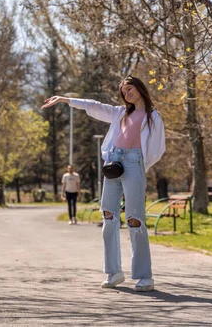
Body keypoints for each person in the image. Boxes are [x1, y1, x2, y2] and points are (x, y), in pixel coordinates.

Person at [42, 75, 166, 292]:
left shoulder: (152, 116)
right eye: (124, 92)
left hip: (134, 163)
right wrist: (66, 99)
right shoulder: (120, 112)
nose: (127, 94)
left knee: (134, 218)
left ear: (139, 88)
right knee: (108, 215)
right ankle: (114, 272)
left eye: (130, 89)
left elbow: (157, 149)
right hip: (113, 163)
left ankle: (145, 277)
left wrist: (139, 166)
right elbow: (95, 106)